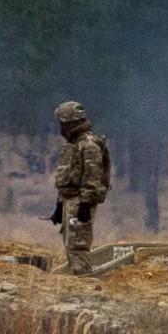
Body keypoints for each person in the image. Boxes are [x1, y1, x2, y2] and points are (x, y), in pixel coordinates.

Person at [50, 100, 111, 275]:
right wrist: (60, 205)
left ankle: (83, 282)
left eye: (63, 124)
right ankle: (79, 279)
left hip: (80, 201)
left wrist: (85, 204)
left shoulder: (88, 144)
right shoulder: (74, 144)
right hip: (71, 200)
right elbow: (67, 176)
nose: (61, 128)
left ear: (73, 123)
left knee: (78, 246)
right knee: (71, 245)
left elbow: (92, 176)